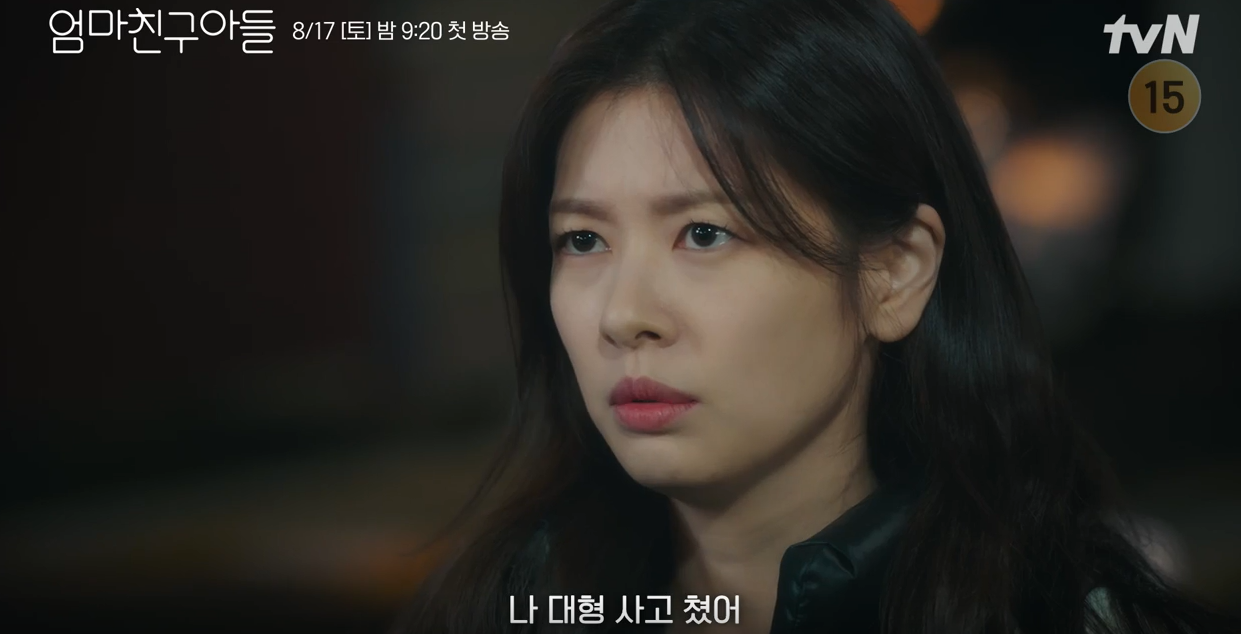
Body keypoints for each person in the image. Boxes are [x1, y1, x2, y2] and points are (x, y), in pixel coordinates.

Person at [395, 0, 1239, 632]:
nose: (624, 315)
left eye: (703, 233)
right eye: (582, 240)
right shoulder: (506, 604)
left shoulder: (1055, 613)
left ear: (894, 273)